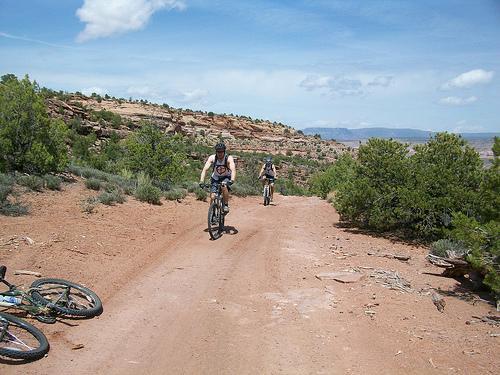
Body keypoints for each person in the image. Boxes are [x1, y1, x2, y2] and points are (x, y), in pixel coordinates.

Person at [199, 143, 236, 213]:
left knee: (224, 186)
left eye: (221, 151)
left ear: (224, 151)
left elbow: (233, 170)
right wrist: (201, 181)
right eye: (218, 151)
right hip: (215, 177)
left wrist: (232, 180)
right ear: (216, 151)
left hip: (226, 176)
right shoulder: (212, 158)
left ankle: (225, 205)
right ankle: (212, 212)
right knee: (212, 196)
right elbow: (205, 169)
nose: (220, 153)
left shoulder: (228, 158)